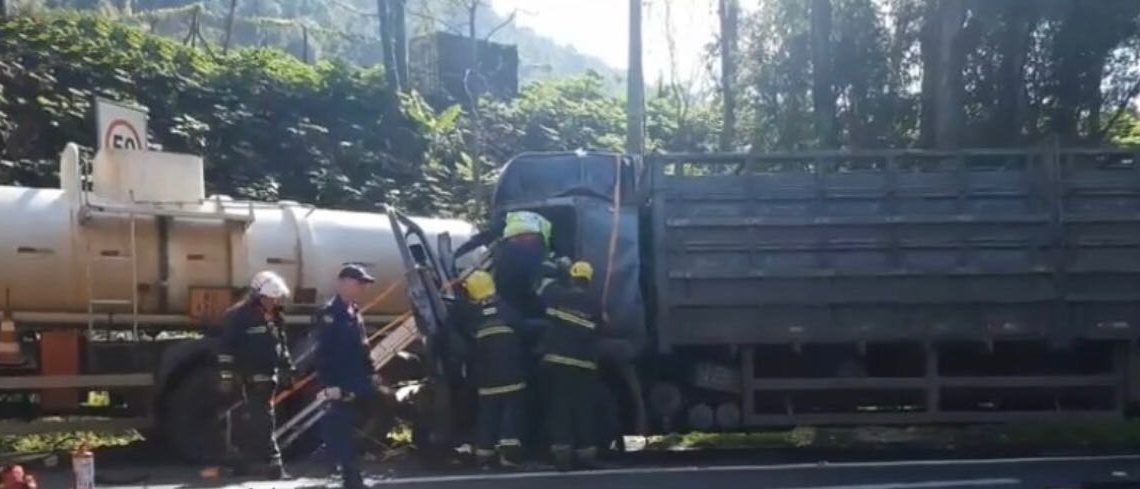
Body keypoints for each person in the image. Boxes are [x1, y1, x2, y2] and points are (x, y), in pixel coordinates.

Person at [217, 270, 295, 480]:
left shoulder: (276, 317)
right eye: (270, 298)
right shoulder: (238, 317)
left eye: (276, 298)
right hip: (242, 379)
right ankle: (240, 463)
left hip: (267, 378)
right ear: (258, 296)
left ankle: (270, 463)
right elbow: (226, 347)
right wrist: (226, 376)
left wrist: (287, 368)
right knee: (241, 419)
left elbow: (281, 345)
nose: (274, 302)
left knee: (264, 420)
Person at [314, 264, 377, 489]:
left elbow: (362, 347)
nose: (362, 288)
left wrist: (371, 373)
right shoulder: (330, 314)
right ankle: (351, 477)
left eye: (364, 284)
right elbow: (323, 353)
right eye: (358, 282)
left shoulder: (354, 312)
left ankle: (332, 459)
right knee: (340, 425)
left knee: (350, 426)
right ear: (343, 283)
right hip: (340, 380)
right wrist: (330, 385)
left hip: (357, 380)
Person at [535, 261, 603, 470]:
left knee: (560, 409)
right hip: (585, 365)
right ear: (589, 280)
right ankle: (586, 454)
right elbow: (601, 328)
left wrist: (559, 267)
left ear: (571, 277)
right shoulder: (595, 303)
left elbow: (541, 288)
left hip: (559, 363)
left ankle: (562, 455)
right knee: (583, 410)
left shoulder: (557, 295)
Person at [458, 270, 528, 470]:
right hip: (512, 375)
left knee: (487, 417)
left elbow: (465, 342)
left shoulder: (472, 315)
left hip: (486, 379)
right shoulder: (507, 310)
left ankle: (484, 457)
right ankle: (509, 458)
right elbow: (523, 329)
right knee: (511, 418)